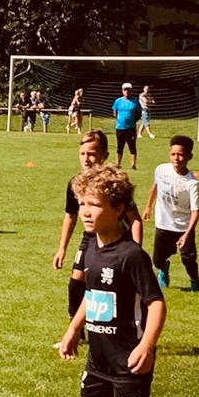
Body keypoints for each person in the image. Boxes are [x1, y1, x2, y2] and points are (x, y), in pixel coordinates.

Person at [55, 165, 173, 397]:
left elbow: (156, 304)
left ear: (118, 208)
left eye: (94, 205)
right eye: (82, 204)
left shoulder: (131, 255)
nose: (86, 212)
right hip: (100, 357)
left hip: (128, 359)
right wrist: (73, 330)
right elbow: (93, 294)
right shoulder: (92, 247)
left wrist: (146, 345)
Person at [56, 129, 143, 317]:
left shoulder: (114, 185)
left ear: (105, 155)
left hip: (115, 240)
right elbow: (70, 216)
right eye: (82, 154)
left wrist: (136, 249)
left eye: (91, 154)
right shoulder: (76, 184)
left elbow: (135, 219)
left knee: (111, 285)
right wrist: (62, 248)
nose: (86, 159)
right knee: (76, 282)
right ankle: (76, 327)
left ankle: (121, 323)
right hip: (91, 238)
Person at [144, 135, 199, 291]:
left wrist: (187, 233)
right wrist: (148, 206)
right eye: (173, 154)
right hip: (163, 224)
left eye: (181, 154)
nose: (176, 158)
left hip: (183, 227)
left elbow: (195, 211)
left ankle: (195, 281)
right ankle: (164, 269)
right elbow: (155, 186)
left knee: (188, 259)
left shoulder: (192, 182)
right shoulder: (161, 169)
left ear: (189, 156)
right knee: (157, 260)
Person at [111, 82, 142, 168]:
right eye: (125, 90)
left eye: (128, 90)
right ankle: (118, 164)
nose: (127, 91)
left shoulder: (135, 102)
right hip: (120, 128)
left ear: (131, 90)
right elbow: (115, 112)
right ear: (122, 91)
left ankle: (133, 165)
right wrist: (120, 120)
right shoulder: (118, 101)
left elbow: (139, 114)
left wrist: (132, 121)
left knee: (132, 147)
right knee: (119, 147)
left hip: (131, 128)